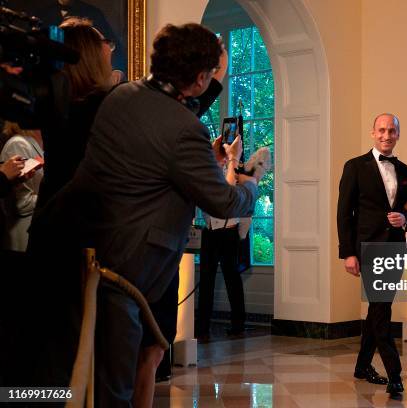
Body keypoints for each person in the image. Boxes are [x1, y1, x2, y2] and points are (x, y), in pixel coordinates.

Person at [27, 22, 258, 406]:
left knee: (70, 375)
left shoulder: (122, 96)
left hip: (75, 247)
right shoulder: (185, 129)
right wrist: (250, 184)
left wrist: (198, 163)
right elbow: (223, 202)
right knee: (113, 387)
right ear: (200, 79)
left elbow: (153, 150)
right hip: (126, 268)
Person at [132, 41, 230, 408]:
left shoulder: (140, 105)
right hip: (147, 251)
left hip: (154, 249)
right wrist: (250, 182)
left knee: (154, 348)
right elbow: (222, 199)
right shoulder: (154, 113)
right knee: (148, 347)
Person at [337, 113, 407, 396]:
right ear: (373, 133)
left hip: (394, 249)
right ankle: (395, 374)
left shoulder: (406, 170)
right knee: (382, 310)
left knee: (377, 308)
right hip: (368, 250)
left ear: (398, 134)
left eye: (392, 131)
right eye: (382, 130)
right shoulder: (355, 166)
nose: (387, 135)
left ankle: (361, 366)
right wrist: (348, 253)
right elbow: (344, 214)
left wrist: (405, 218)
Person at [35, 17, 115, 209]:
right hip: (85, 222)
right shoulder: (106, 106)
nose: (111, 49)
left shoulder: (51, 102)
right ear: (89, 55)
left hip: (51, 215)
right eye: (106, 43)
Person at [198, 136, 247, 341]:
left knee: (232, 278)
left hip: (228, 231)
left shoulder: (236, 170)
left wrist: (231, 161)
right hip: (209, 231)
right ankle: (202, 329)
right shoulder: (208, 170)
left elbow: (228, 193)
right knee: (206, 280)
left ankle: (238, 325)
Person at [0, 122, 44, 252]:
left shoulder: (44, 137)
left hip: (38, 230)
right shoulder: (18, 143)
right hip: (23, 236)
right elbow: (21, 205)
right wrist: (54, 196)